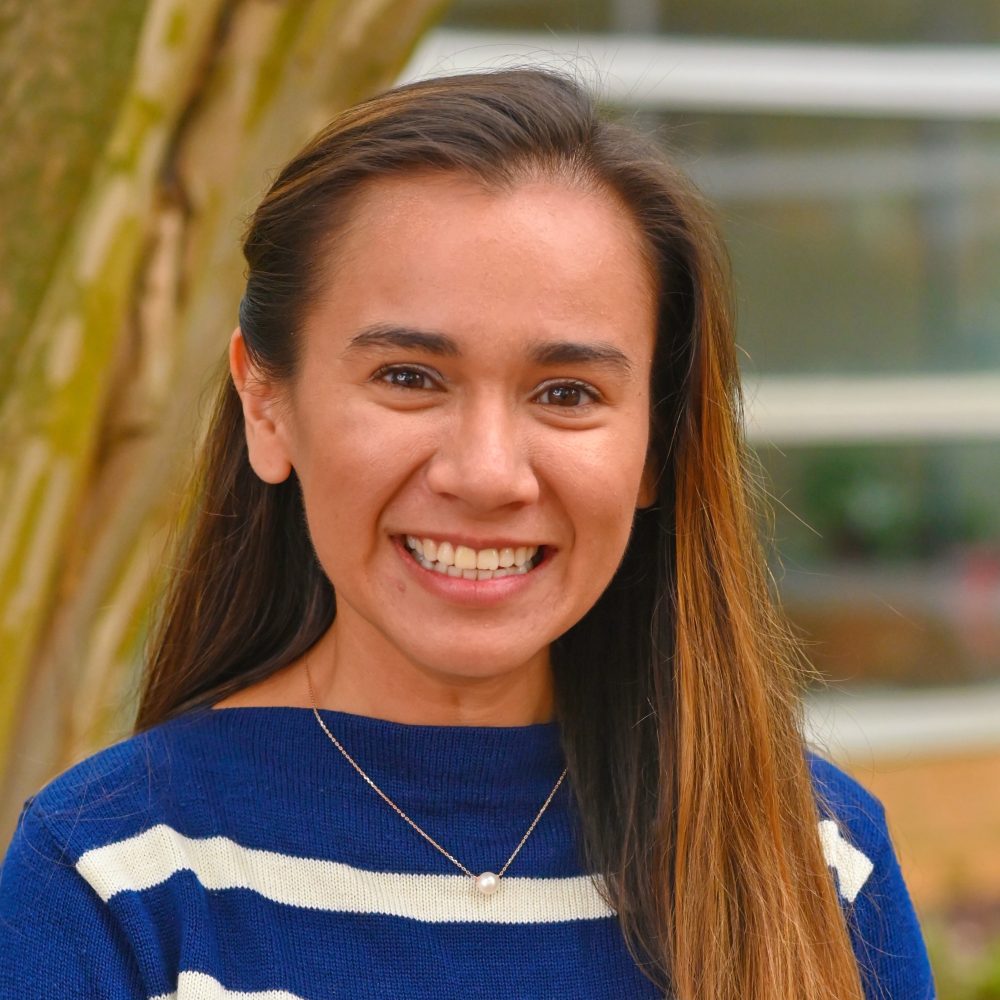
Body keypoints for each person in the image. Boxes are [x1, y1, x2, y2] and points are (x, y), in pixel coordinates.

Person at [0, 69, 934, 1000]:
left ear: (657, 443)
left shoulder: (816, 868)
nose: (486, 474)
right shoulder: (111, 876)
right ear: (267, 402)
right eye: (409, 377)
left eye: (567, 394)